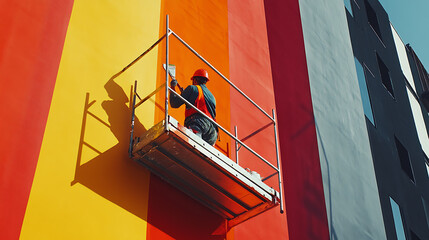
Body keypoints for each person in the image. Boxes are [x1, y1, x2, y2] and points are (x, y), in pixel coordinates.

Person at [169, 69, 218, 145]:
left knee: (193, 144)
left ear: (195, 80)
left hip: (199, 124)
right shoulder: (212, 97)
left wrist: (172, 87)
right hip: (213, 132)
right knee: (204, 154)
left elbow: (174, 104)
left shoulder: (192, 88)